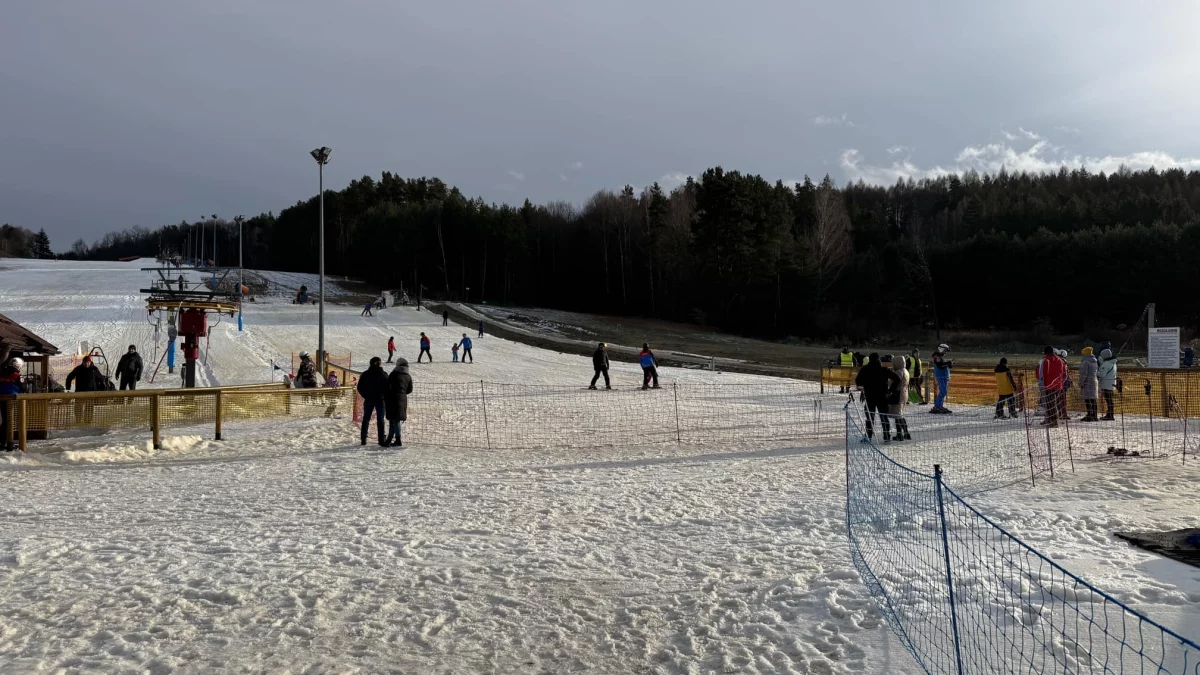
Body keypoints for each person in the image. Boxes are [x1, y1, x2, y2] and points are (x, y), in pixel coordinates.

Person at [855, 353, 900, 442]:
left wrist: (865, 383)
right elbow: (897, 379)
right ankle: (886, 435)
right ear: (879, 359)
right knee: (884, 417)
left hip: (869, 397)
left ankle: (869, 436)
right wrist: (890, 390)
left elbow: (858, 381)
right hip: (882, 397)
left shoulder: (865, 369)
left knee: (870, 418)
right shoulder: (884, 369)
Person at [356, 356, 389, 447]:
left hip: (369, 399)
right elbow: (388, 387)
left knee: (366, 419)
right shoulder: (384, 374)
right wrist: (384, 396)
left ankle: (363, 439)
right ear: (379, 363)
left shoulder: (365, 374)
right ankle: (381, 440)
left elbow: (359, 387)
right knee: (380, 420)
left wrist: (366, 395)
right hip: (380, 400)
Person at [66, 355, 103, 425]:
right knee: (78, 408)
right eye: (85, 362)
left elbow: (101, 379)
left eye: (88, 362)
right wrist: (68, 387)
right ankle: (78, 421)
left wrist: (100, 389)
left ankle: (87, 422)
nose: (86, 364)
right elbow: (69, 377)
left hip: (91, 393)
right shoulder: (78, 369)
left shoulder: (94, 369)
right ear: (83, 362)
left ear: (90, 362)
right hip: (80, 392)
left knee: (89, 408)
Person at [385, 358, 413, 448]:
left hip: (393, 398)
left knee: (394, 420)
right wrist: (402, 393)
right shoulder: (408, 376)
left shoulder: (394, 374)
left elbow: (387, 385)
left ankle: (397, 439)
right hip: (403, 399)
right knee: (396, 419)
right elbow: (410, 389)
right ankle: (390, 439)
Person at [1039, 346, 1068, 427]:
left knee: (1049, 405)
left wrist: (1041, 386)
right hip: (1058, 386)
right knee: (1055, 403)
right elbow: (1065, 374)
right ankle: (1053, 421)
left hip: (1047, 386)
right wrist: (1061, 383)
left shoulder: (1044, 360)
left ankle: (1052, 421)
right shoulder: (1060, 360)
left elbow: (1041, 375)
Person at [1, 357, 23, 451]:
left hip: (2, 398)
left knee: (5, 419)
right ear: (18, 366)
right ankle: (8, 442)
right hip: (13, 398)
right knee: (11, 420)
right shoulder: (16, 375)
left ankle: (3, 441)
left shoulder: (2, 372)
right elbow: (22, 387)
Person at [888, 355, 911, 441]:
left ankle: (899, 434)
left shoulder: (899, 372)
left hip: (898, 394)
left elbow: (895, 383)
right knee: (900, 414)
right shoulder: (906, 371)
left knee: (897, 415)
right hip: (904, 393)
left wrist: (889, 391)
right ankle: (906, 432)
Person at [1079, 346, 1099, 422]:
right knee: (1093, 399)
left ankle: (1089, 415)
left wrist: (1081, 383)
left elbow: (1084, 374)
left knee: (1087, 399)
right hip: (1094, 381)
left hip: (1087, 382)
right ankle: (1095, 415)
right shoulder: (1095, 361)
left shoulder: (1085, 362)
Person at [931, 344, 953, 413]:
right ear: (942, 349)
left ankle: (940, 405)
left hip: (944, 376)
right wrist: (948, 363)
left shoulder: (939, 357)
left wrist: (949, 364)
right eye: (945, 351)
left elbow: (943, 364)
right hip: (941, 376)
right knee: (943, 392)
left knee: (944, 392)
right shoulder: (936, 357)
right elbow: (940, 365)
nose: (945, 353)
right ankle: (937, 406)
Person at [1098, 348, 1118, 421]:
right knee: (1110, 400)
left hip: (1106, 384)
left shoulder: (1106, 364)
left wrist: (1096, 372)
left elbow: (1102, 374)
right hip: (1111, 383)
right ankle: (1110, 414)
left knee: (1108, 400)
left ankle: (1110, 415)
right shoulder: (1113, 363)